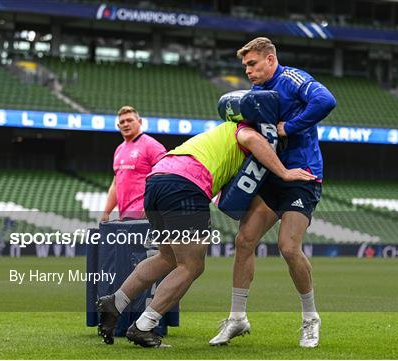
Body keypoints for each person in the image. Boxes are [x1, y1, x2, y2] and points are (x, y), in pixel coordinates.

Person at [96, 115, 316, 348]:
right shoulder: (244, 131)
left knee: (167, 257)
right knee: (192, 265)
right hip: (185, 186)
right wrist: (284, 172)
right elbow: (251, 139)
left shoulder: (219, 133)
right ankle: (143, 326)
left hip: (156, 182)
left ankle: (115, 302)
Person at [209, 37, 336, 348]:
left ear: (270, 58)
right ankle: (237, 318)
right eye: (245, 66)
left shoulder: (292, 79)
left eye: (252, 64)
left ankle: (310, 319)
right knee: (243, 241)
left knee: (288, 248)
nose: (248, 71)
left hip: (302, 176)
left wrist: (289, 127)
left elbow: (326, 100)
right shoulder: (255, 94)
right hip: (271, 176)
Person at [101, 106, 166, 221]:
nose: (126, 124)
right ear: (118, 126)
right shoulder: (119, 150)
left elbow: (165, 176)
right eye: (122, 122)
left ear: (140, 122)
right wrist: (106, 212)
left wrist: (151, 206)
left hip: (146, 216)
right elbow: (116, 184)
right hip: (125, 217)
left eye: (130, 120)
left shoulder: (152, 145)